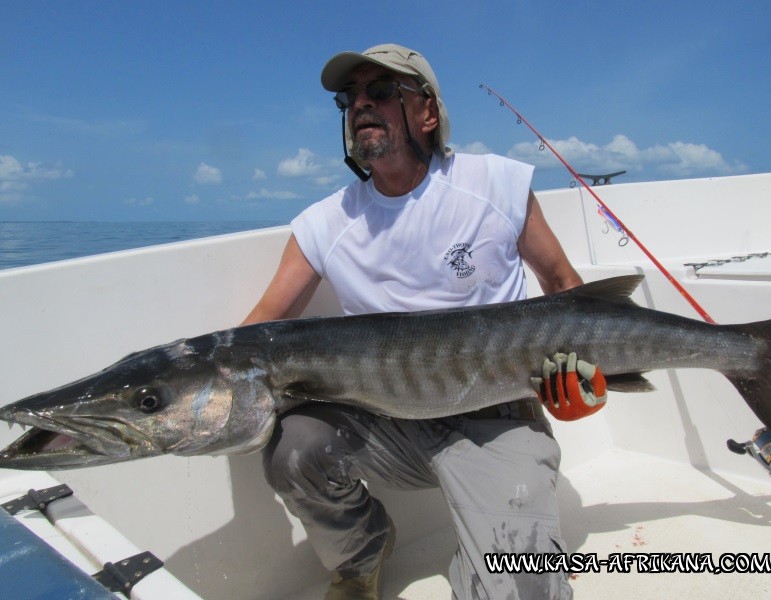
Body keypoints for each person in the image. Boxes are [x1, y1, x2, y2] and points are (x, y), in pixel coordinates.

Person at [243, 44, 606, 600]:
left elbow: (562, 284)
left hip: (498, 416)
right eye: (350, 97)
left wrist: (587, 380)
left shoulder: (495, 185)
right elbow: (258, 330)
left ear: (429, 113)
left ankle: (486, 545)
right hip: (384, 422)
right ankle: (361, 553)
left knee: (522, 590)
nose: (360, 104)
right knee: (295, 449)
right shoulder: (323, 224)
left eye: (382, 91)